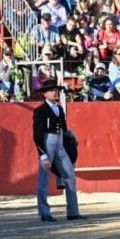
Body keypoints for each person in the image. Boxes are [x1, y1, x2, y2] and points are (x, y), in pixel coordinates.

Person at [32, 80, 84, 222]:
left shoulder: (59, 109)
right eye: (51, 90)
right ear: (45, 94)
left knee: (70, 175)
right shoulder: (40, 111)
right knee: (43, 179)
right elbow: (37, 134)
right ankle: (44, 212)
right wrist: (43, 155)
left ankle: (73, 212)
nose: (55, 92)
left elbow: (64, 130)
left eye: (56, 90)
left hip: (59, 143)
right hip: (47, 142)